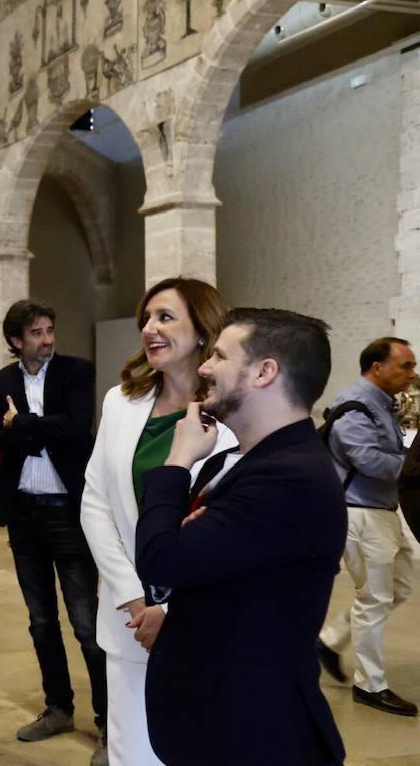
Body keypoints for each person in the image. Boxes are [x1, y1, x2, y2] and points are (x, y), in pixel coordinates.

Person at [135, 308, 347, 765]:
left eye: (219, 356)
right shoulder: (242, 462)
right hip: (218, 720)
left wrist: (175, 463)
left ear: (264, 371)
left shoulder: (291, 478)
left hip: (252, 732)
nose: (205, 368)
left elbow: (160, 556)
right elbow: (207, 567)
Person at [80, 277, 234, 764]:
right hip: (128, 614)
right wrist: (133, 595)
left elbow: (226, 532)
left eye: (165, 317)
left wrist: (168, 610)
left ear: (204, 331)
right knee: (131, 747)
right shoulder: (120, 404)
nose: (149, 328)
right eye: (145, 318)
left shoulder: (233, 419)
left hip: (200, 619)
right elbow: (96, 501)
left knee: (195, 743)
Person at [0, 299, 107, 764]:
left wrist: (25, 425)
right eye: (36, 332)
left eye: (50, 329)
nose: (47, 339)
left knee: (88, 625)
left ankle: (110, 724)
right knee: (40, 620)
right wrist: (26, 430)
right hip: (25, 514)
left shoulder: (76, 371)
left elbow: (76, 429)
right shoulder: (4, 380)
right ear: (17, 341)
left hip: (68, 512)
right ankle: (59, 708)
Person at [318, 337, 419, 716]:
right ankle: (370, 685)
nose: (412, 374)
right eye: (405, 366)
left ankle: (328, 641)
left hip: (383, 511)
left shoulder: (382, 405)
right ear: (376, 368)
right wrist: (413, 466)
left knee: (399, 586)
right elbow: (369, 461)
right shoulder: (354, 407)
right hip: (360, 513)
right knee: (374, 599)